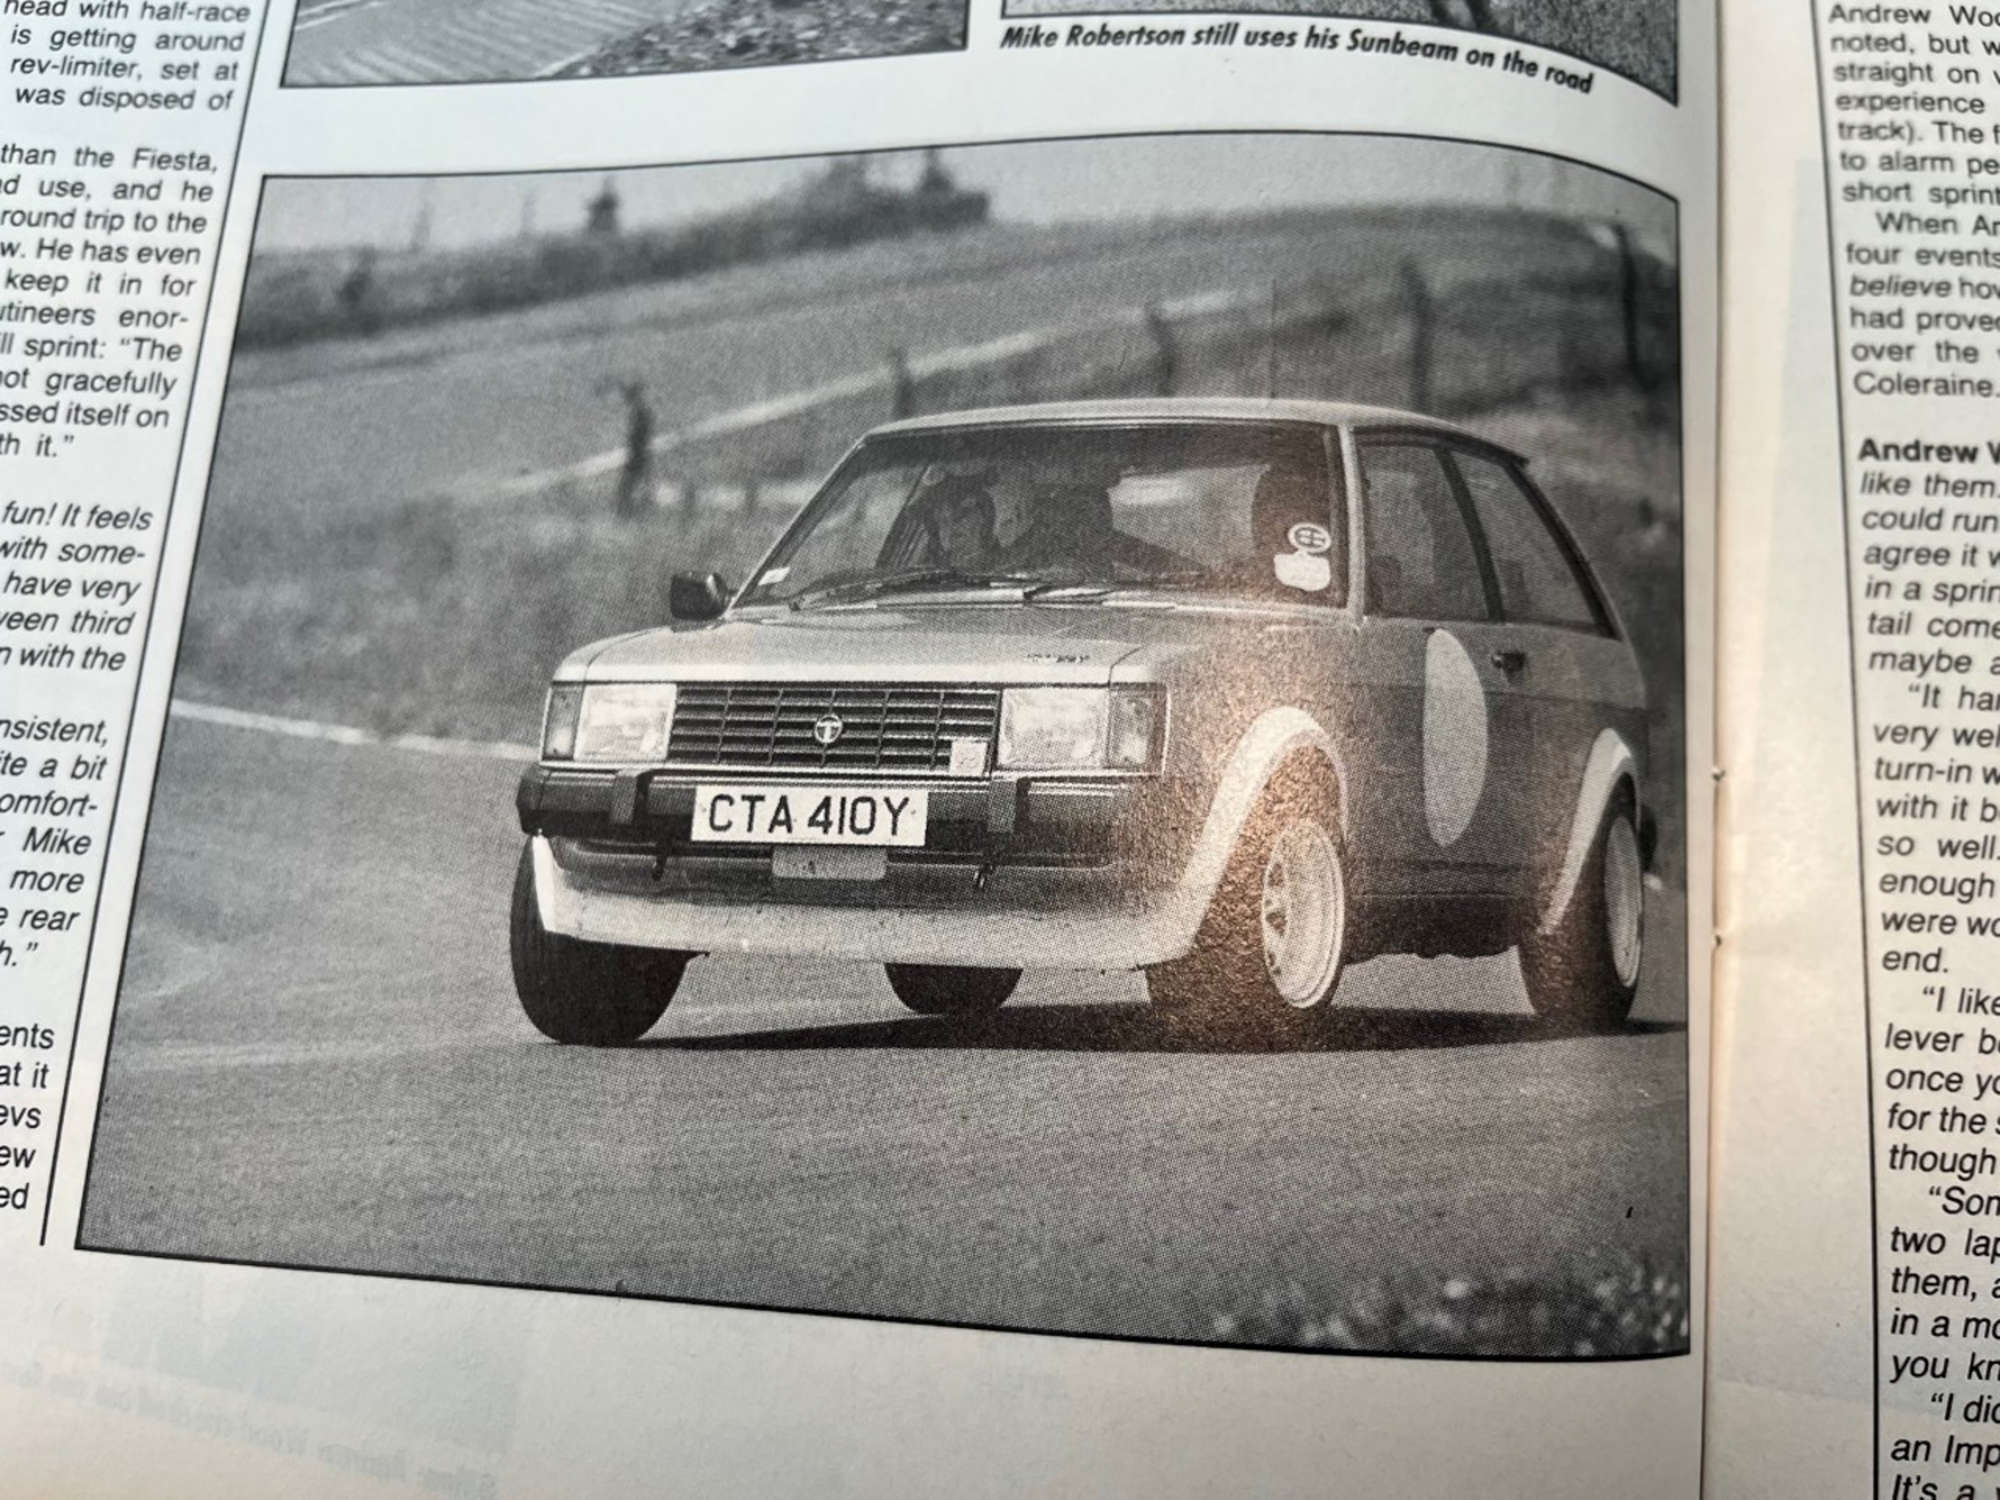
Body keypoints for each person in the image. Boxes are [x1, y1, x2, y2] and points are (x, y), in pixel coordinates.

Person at [614, 381, 654, 519]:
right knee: (640, 485)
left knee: (626, 487)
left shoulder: (640, 413)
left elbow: (638, 436)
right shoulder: (642, 412)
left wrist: (634, 448)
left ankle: (627, 514)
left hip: (637, 455)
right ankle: (641, 511)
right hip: (640, 454)